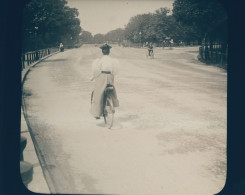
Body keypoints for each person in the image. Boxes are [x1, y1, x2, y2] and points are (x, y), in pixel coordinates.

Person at [90, 43, 119, 119]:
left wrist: (93, 77)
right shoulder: (113, 61)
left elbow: (96, 70)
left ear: (102, 52)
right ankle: (113, 103)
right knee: (112, 90)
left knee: (98, 93)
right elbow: (115, 71)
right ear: (109, 52)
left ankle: (97, 113)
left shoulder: (99, 60)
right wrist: (112, 76)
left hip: (102, 77)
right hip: (110, 77)